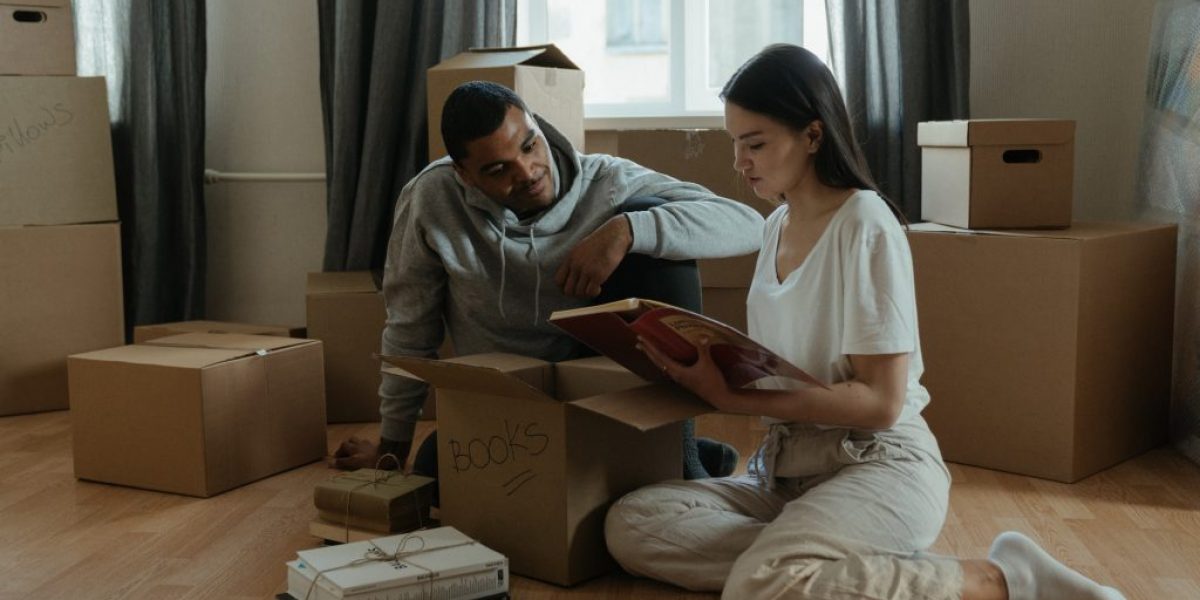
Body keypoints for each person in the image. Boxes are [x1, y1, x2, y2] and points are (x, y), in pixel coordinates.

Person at [604, 44, 1126, 600]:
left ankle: (999, 579)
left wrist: (740, 402)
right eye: (735, 142)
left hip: (877, 462)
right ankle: (829, 563)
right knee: (631, 523)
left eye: (755, 143)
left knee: (764, 583)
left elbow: (881, 403)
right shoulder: (776, 226)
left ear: (812, 135)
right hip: (784, 468)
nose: (739, 161)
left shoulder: (865, 224)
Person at [332, 81, 765, 482]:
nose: (526, 172)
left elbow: (749, 225)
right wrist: (392, 450)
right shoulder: (432, 198)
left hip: (599, 389)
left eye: (529, 145)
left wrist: (627, 230)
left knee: (656, 222)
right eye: (499, 169)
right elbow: (410, 328)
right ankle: (640, 454)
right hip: (508, 398)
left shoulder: (606, 181)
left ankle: (684, 458)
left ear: (537, 124)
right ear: (464, 175)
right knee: (435, 476)